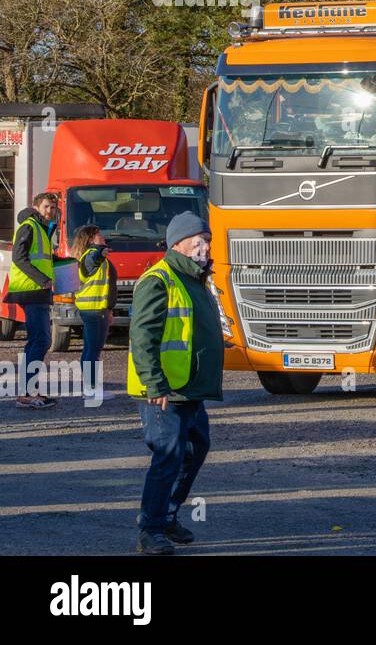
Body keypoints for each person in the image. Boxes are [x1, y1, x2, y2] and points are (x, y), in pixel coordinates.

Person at [128, 212, 223, 554]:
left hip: (190, 389)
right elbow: (142, 337)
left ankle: (166, 515)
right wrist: (155, 384)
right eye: (197, 240)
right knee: (168, 456)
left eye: (207, 239)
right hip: (165, 392)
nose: (205, 246)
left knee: (195, 450)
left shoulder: (195, 278)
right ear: (178, 244)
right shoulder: (159, 280)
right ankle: (150, 529)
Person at [5, 192, 59, 408]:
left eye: (53, 208)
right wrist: (43, 280)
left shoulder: (41, 228)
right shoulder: (30, 225)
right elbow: (19, 257)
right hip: (32, 290)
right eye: (47, 207)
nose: (50, 211)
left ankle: (28, 391)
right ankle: (27, 393)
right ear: (37, 207)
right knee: (41, 341)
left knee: (36, 341)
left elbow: (43, 259)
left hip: (37, 291)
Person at [70, 225, 117, 393]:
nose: (103, 237)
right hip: (93, 309)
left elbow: (108, 287)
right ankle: (91, 388)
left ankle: (89, 386)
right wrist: (100, 252)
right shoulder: (91, 254)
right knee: (93, 349)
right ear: (91, 240)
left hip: (97, 308)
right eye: (99, 236)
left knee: (91, 348)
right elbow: (92, 260)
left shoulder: (95, 256)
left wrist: (109, 309)